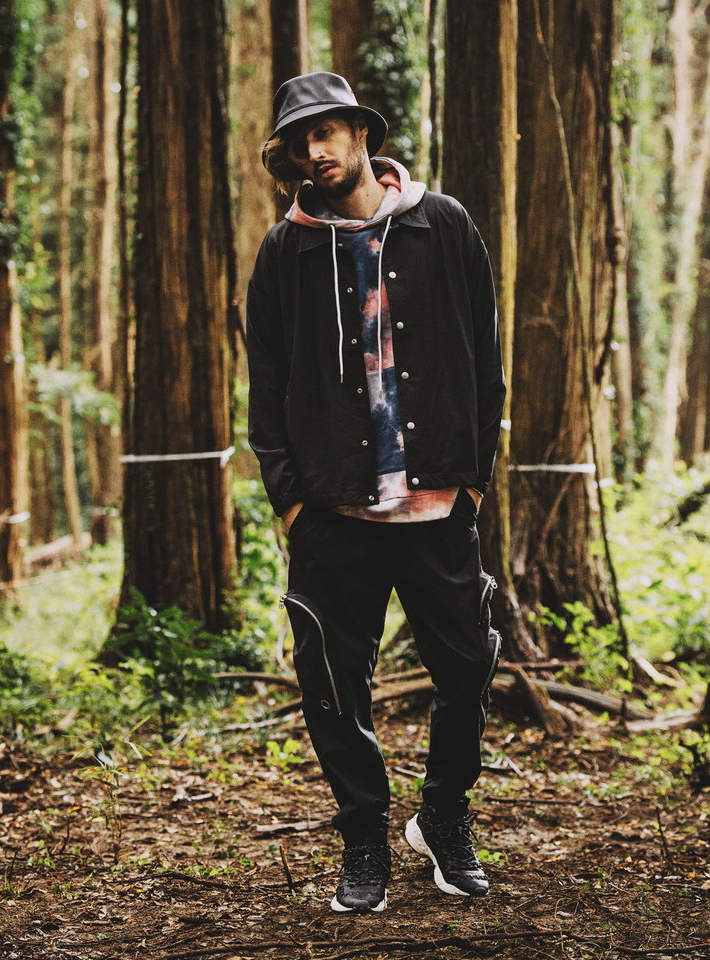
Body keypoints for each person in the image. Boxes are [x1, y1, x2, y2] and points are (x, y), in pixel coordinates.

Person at [246, 72, 505, 913]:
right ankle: (363, 841)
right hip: (333, 513)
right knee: (333, 683)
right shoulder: (284, 252)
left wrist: (472, 482)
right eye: (299, 142)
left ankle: (444, 818)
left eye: (326, 133)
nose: (314, 152)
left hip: (438, 507)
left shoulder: (444, 224)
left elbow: (487, 358)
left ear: (361, 132)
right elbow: (265, 383)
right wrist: (291, 502)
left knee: (466, 668)